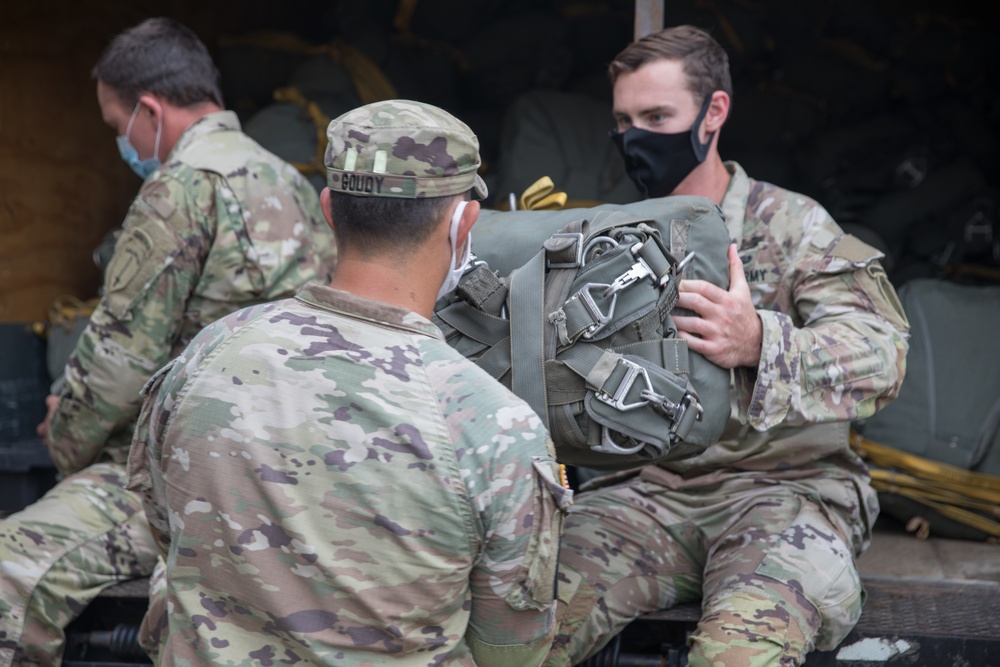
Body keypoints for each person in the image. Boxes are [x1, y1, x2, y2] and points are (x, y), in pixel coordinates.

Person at [126, 98, 572, 666]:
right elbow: (511, 650)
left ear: (329, 209)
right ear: (464, 224)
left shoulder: (205, 356)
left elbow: (166, 529)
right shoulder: (495, 425)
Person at [544, 25, 910, 667]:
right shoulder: (603, 240)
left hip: (785, 492)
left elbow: (883, 355)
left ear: (714, 112)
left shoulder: (800, 225)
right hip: (642, 492)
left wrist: (758, 341)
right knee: (524, 629)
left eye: (657, 117)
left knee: (742, 652)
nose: (635, 138)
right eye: (624, 121)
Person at [0, 17, 336, 665]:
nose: (119, 142)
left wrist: (64, 435)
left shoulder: (180, 188)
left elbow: (119, 362)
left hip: (197, 480)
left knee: (11, 568)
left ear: (148, 110)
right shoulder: (289, 182)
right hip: (295, 474)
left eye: (114, 125)